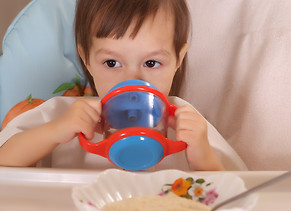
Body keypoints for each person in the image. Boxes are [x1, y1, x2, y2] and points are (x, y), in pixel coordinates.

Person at [0, 0, 247, 171]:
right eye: (111, 62)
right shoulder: (61, 114)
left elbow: (237, 192)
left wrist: (203, 157)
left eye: (151, 62)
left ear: (177, 60)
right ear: (86, 58)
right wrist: (55, 130)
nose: (132, 79)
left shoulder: (187, 124)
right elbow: (4, 162)